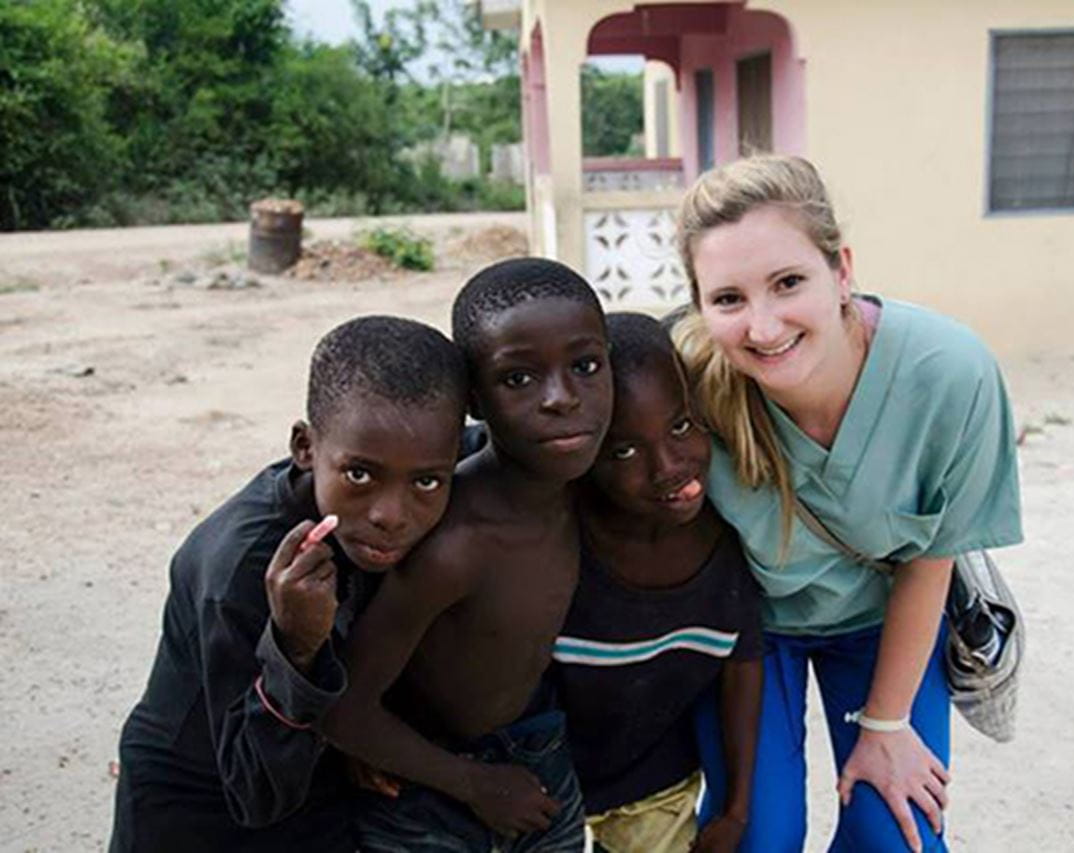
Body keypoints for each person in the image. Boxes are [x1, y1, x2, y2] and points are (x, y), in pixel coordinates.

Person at [671, 155, 1023, 853]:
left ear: (842, 270)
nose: (764, 326)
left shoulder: (950, 375)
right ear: (699, 304)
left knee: (895, 833)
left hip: (880, 618)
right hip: (745, 625)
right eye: (729, 298)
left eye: (788, 282)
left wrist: (886, 726)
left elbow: (934, 557)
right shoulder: (686, 382)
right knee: (757, 835)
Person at [109, 316, 468, 852]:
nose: (391, 515)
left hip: (314, 788)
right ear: (305, 447)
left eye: (426, 481)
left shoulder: (414, 471)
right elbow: (255, 793)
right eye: (360, 475)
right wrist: (297, 648)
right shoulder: (240, 568)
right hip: (196, 808)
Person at [319, 258, 614, 852]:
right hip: (429, 788)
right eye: (519, 379)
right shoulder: (456, 544)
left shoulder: (591, 488)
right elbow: (344, 709)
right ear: (474, 401)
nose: (561, 398)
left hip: (539, 759)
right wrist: (476, 784)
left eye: (586, 367)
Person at [553, 313, 763, 853]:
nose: (668, 465)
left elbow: (743, 669)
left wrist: (736, 809)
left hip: (656, 782)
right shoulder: (552, 534)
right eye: (623, 451)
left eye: (681, 426)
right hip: (543, 783)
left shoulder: (727, 541)